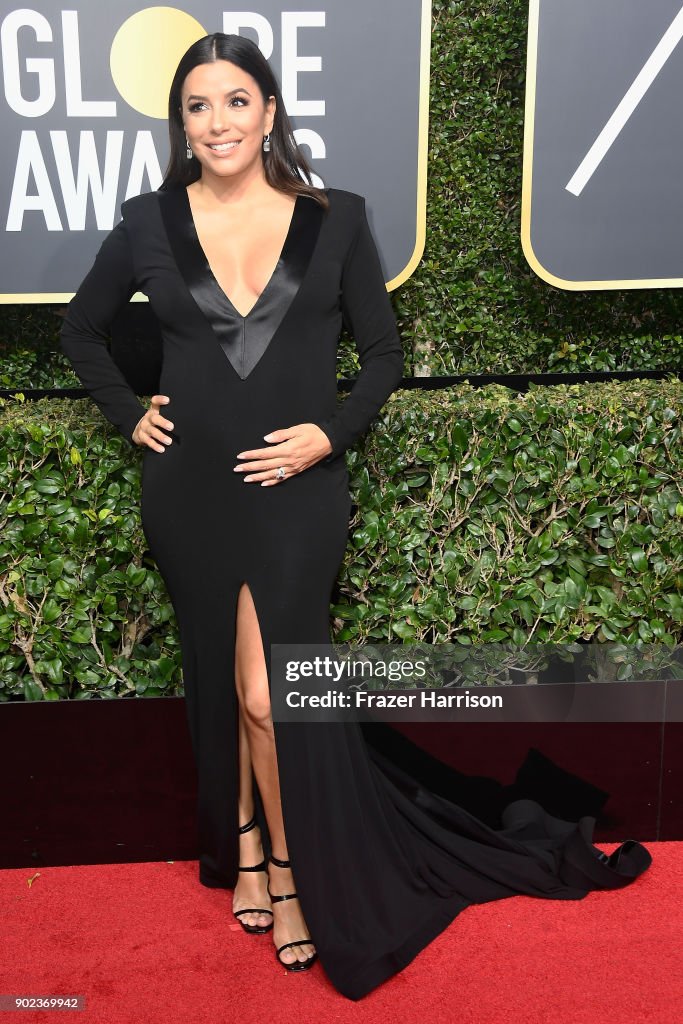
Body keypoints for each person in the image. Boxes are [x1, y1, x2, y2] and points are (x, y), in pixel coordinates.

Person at [60, 32, 652, 1002]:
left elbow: (379, 354)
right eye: (198, 106)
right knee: (225, 683)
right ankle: (249, 852)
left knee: (267, 694)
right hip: (191, 492)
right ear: (182, 123)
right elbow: (82, 330)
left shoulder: (333, 221)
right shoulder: (148, 223)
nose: (217, 122)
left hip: (296, 494)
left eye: (236, 101)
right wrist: (131, 416)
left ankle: (291, 869)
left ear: (268, 112)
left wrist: (323, 439)